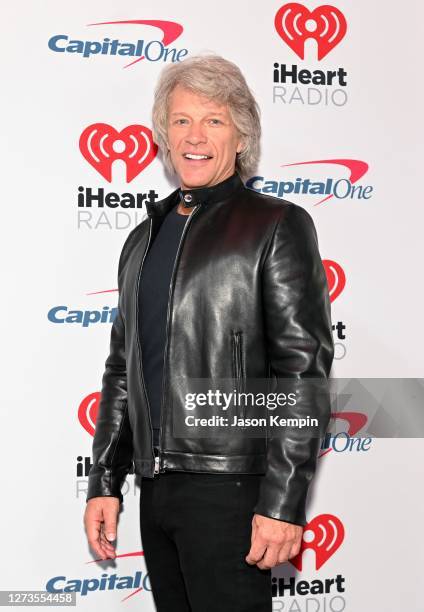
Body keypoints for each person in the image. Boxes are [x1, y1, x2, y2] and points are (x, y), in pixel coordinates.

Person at [83, 54, 334, 612]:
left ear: (241, 135)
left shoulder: (275, 225)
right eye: (180, 121)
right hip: (157, 491)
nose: (194, 136)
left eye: (214, 121)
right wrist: (104, 479)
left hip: (234, 491)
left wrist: (284, 503)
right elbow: (123, 369)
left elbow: (303, 369)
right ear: (163, 135)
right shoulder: (141, 240)